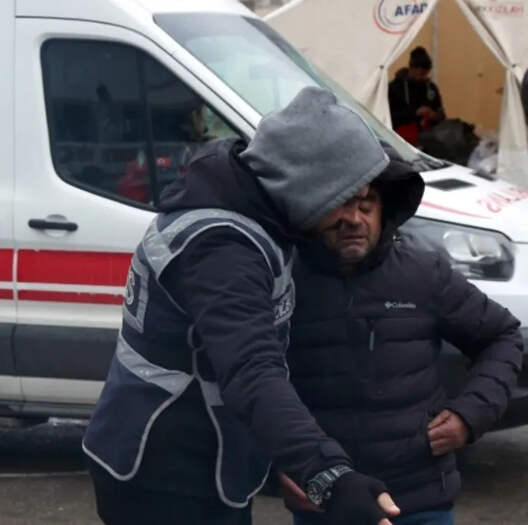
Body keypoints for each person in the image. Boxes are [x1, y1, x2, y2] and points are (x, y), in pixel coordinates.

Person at [83, 86, 402, 525]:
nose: (351, 217)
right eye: (344, 199)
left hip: (207, 462)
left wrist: (285, 459)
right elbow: (252, 369)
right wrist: (326, 474)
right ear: (308, 186)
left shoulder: (258, 213)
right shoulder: (221, 247)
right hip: (165, 475)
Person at [278, 147, 523, 525]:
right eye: (339, 204)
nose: (354, 219)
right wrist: (277, 468)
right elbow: (246, 381)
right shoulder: (282, 281)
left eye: (366, 205)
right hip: (327, 501)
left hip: (422, 500)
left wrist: (471, 413)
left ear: (384, 211)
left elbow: (503, 337)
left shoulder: (423, 274)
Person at [388, 47, 445, 145]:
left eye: (425, 74)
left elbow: (442, 115)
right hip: (402, 139)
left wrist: (434, 115)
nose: (422, 77)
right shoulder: (395, 88)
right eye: (420, 73)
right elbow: (389, 117)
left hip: (429, 138)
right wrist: (415, 113)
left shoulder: (431, 88)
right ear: (412, 68)